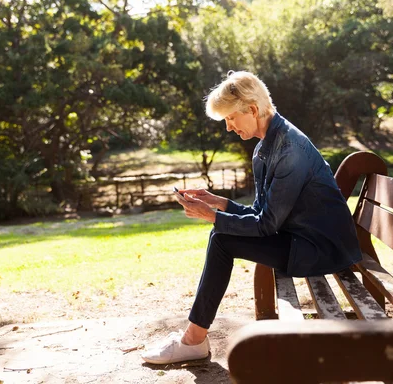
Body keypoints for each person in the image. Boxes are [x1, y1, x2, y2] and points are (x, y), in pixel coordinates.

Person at [140, 71, 362, 364]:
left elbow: (266, 225)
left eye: (231, 119)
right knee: (221, 237)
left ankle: (193, 340)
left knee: (221, 239)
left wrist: (213, 217)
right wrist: (219, 203)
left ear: (253, 110)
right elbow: (262, 213)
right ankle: (194, 338)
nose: (229, 128)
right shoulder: (264, 149)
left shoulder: (289, 150)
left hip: (321, 250)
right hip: (298, 239)